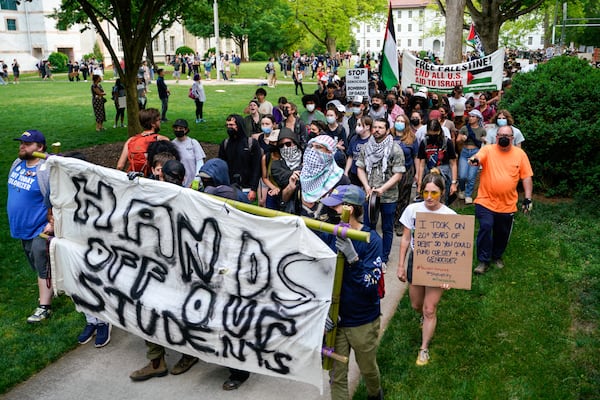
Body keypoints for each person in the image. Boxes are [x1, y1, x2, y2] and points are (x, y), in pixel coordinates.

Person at [319, 185, 384, 400]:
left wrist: (353, 259)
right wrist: (323, 312)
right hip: (336, 321)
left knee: (367, 369)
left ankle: (375, 394)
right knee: (336, 376)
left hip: (363, 321)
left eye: (336, 206)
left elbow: (369, 286)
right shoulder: (331, 234)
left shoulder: (372, 241)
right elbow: (319, 276)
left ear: (351, 208)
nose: (331, 211)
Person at [397, 169, 455, 366]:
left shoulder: (450, 215)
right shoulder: (412, 210)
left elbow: (456, 249)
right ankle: (423, 317)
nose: (429, 197)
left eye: (434, 193)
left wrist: (451, 276)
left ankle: (424, 349)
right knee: (416, 305)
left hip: (440, 263)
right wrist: (400, 266)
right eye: (426, 192)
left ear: (442, 193)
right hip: (417, 261)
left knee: (429, 309)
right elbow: (405, 239)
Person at [470, 125, 534, 275]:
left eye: (507, 135)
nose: (503, 137)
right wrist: (474, 160)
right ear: (496, 136)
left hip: (507, 203)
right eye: (500, 135)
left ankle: (496, 256)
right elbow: (478, 157)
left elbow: (526, 177)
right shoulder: (488, 149)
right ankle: (483, 261)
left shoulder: (520, 154)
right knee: (486, 226)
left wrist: (528, 198)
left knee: (502, 232)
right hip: (485, 200)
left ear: (512, 138)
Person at [7, 130, 54, 323]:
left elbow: (57, 200)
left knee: (42, 265)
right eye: (21, 143)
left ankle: (45, 307)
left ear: (40, 147)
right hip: (22, 228)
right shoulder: (17, 164)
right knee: (36, 263)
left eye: (27, 143)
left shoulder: (46, 170)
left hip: (39, 228)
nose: (22, 146)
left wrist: (52, 224)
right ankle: (56, 288)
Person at [356, 117, 405, 268]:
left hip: (388, 197)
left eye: (380, 128)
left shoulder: (395, 149)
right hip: (369, 194)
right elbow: (360, 168)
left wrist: (382, 189)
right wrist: (366, 186)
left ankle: (383, 258)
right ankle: (368, 254)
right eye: (375, 127)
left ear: (387, 130)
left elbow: (398, 174)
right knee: (368, 226)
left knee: (387, 228)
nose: (376, 130)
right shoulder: (366, 147)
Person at [218, 114, 262, 202]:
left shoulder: (251, 143)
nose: (229, 127)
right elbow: (221, 166)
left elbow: (257, 168)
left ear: (239, 125)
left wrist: (253, 189)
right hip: (229, 188)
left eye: (231, 125)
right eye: (227, 125)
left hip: (246, 189)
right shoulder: (225, 144)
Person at [416, 119, 458, 205]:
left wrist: (453, 183)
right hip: (428, 175)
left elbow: (453, 163)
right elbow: (422, 164)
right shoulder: (424, 142)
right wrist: (419, 183)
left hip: (444, 176)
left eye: (435, 134)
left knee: (443, 202)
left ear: (439, 131)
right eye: (430, 134)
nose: (432, 137)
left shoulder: (447, 142)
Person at [116, 108, 170, 175]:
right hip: (153, 180)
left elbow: (120, 166)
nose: (160, 122)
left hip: (134, 179)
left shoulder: (131, 140)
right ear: (153, 124)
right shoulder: (162, 140)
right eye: (159, 120)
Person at [457, 109, 486, 204]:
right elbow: (457, 140)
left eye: (473, 116)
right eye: (470, 116)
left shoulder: (482, 130)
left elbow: (486, 142)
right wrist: (462, 139)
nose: (470, 118)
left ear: (478, 118)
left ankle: (468, 194)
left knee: (471, 176)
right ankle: (462, 189)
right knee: (462, 175)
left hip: (475, 153)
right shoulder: (465, 128)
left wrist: (483, 140)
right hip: (465, 152)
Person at [170, 119, 206, 187]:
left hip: (193, 182)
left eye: (181, 128)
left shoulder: (193, 143)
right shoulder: (172, 144)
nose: (178, 130)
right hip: (178, 183)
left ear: (186, 130)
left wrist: (197, 179)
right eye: (176, 128)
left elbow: (200, 162)